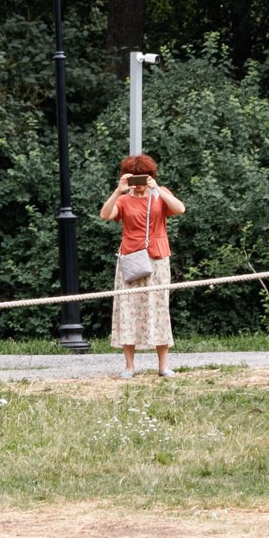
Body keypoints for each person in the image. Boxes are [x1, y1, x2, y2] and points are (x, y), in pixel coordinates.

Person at [99, 155, 185, 379]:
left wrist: (157, 189)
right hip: (130, 257)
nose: (138, 185)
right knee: (127, 308)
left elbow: (180, 209)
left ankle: (163, 365)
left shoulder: (159, 194)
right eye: (134, 178)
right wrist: (119, 191)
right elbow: (105, 215)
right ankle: (129, 366)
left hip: (157, 257)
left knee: (159, 308)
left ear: (150, 177)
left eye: (142, 178)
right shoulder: (124, 199)